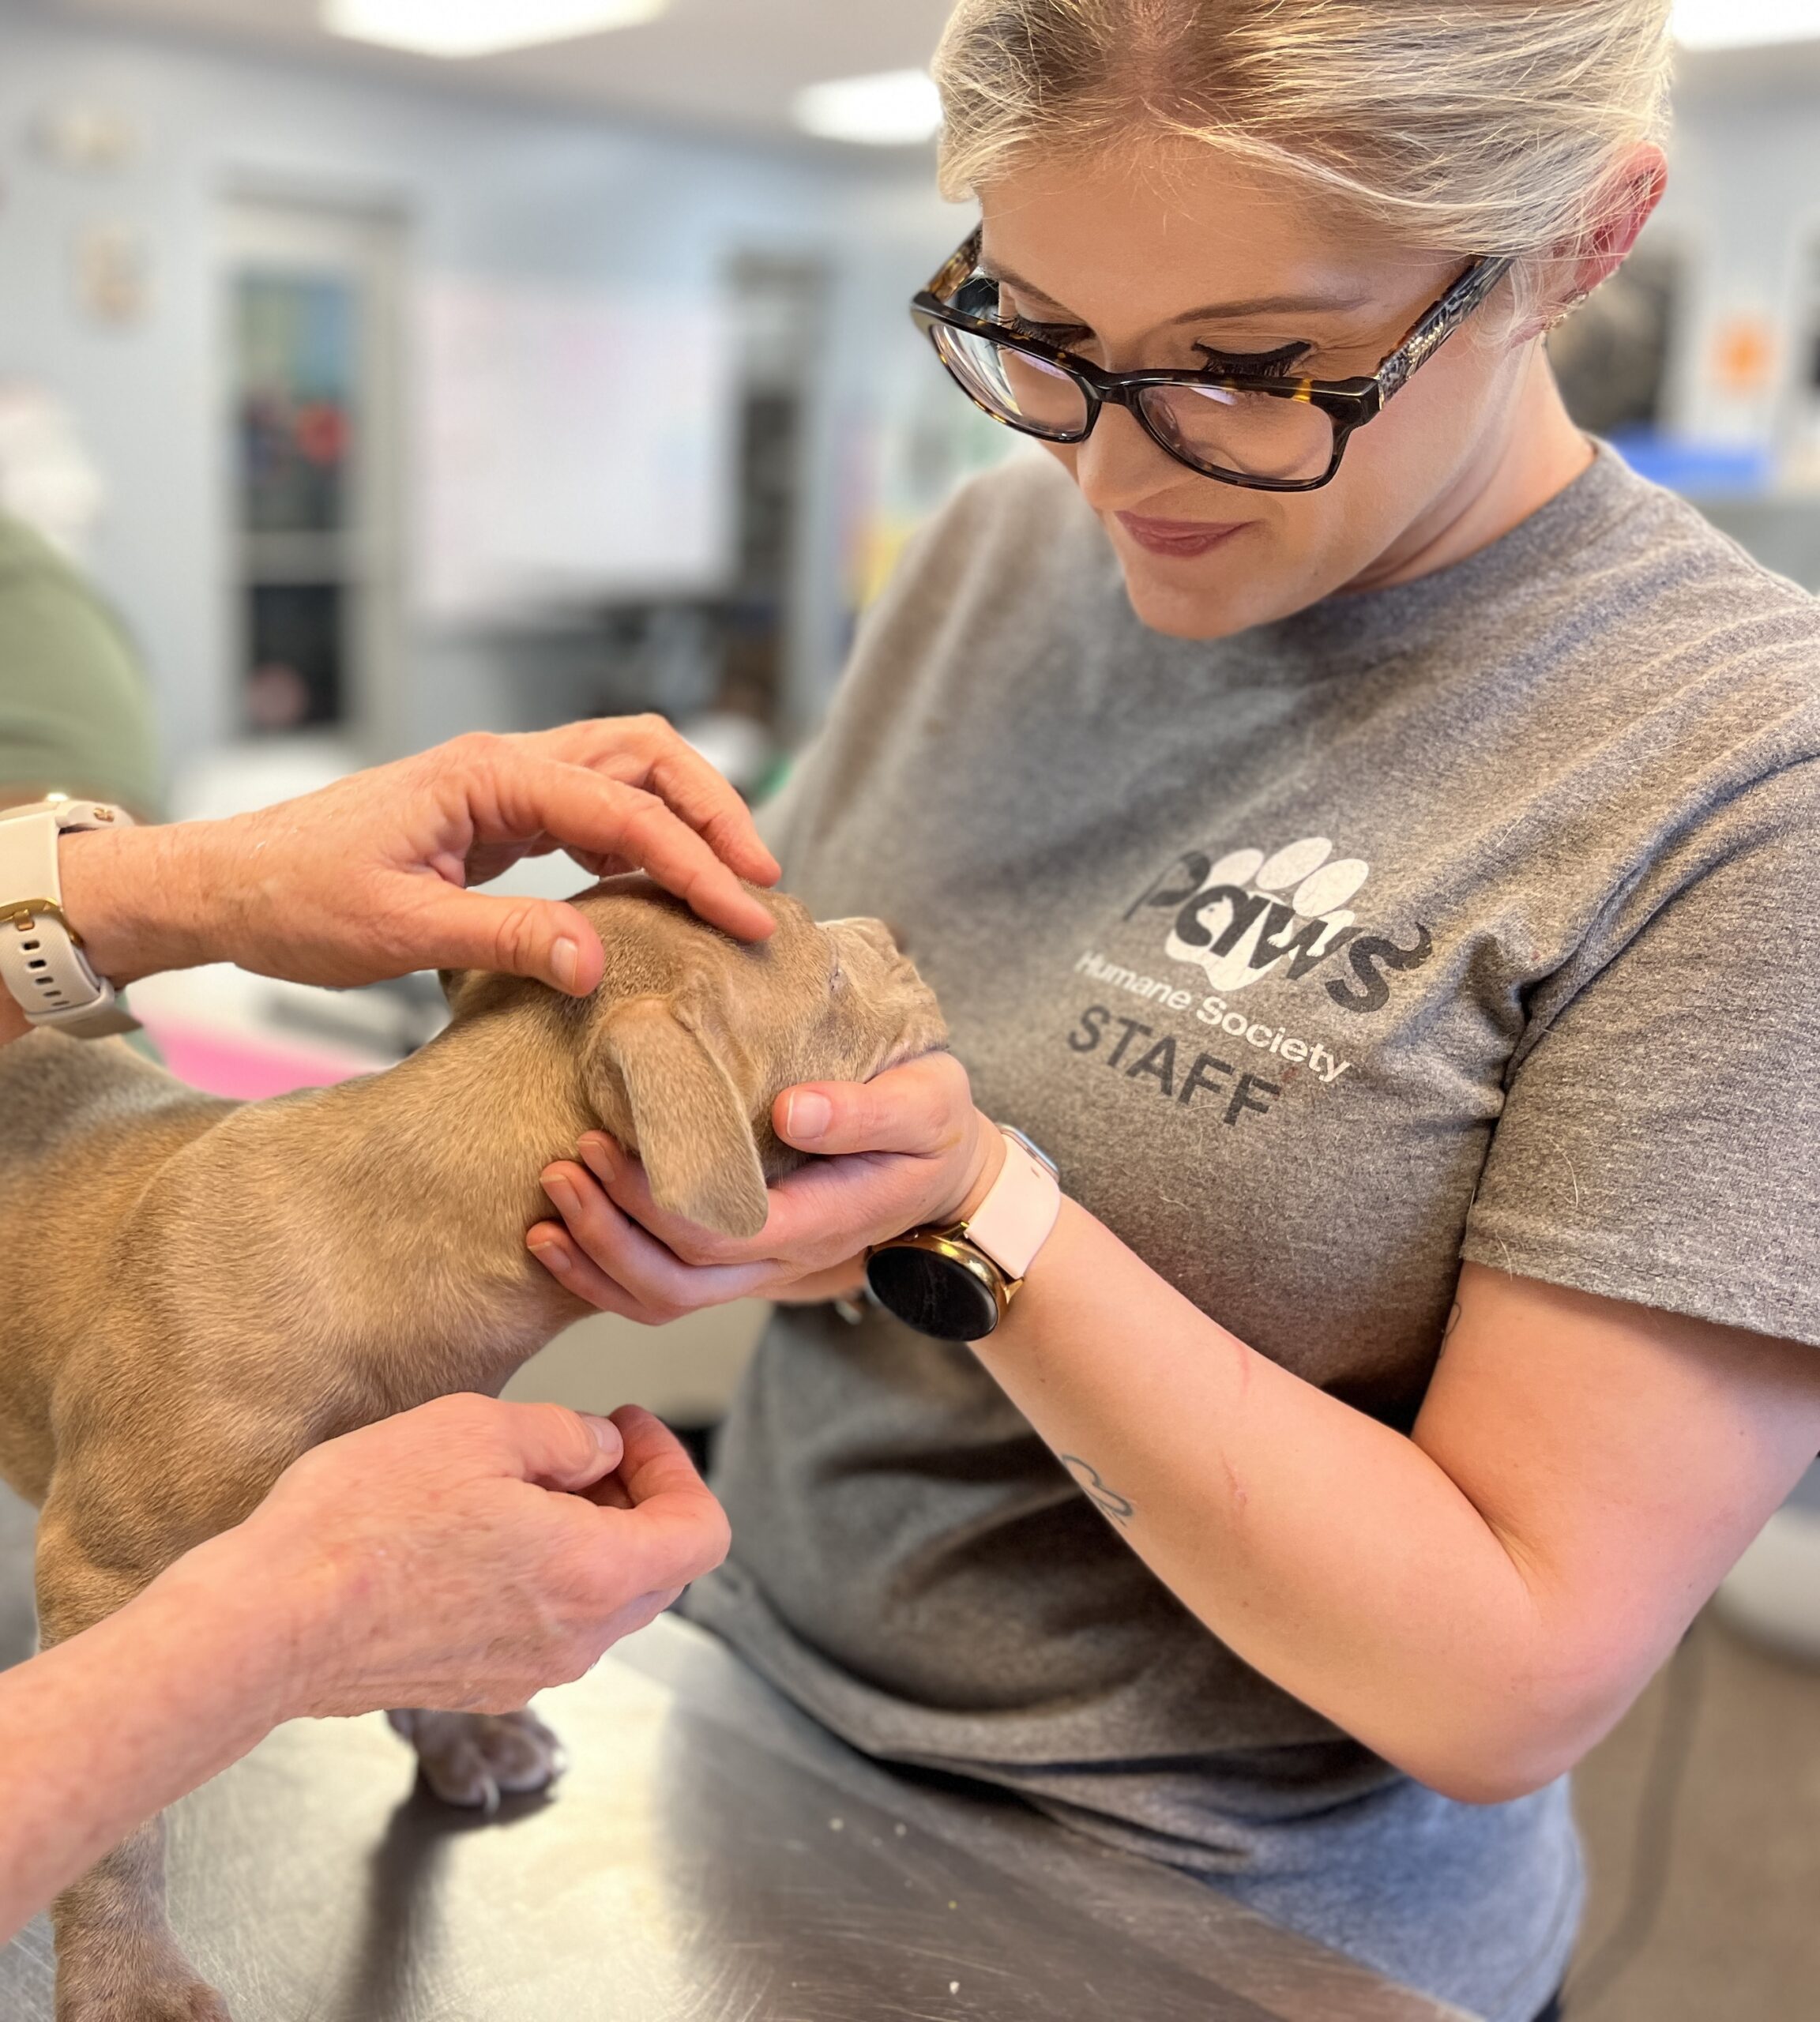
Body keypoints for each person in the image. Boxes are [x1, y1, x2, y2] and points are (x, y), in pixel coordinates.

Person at [523, 7, 1820, 2021]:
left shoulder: (1742, 781)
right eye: (1035, 330)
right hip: (756, 1724)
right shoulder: (990, 554)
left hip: (1226, 1923)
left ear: (1580, 240)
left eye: (1255, 365)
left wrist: (979, 1208)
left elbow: (1504, 1672)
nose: (1119, 465)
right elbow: (807, 1149)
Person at [0, 717, 773, 1938]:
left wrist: (179, 889)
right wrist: (321, 1623)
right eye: (833, 976)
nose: (876, 958)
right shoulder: (230, 1324)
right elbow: (97, 1571)